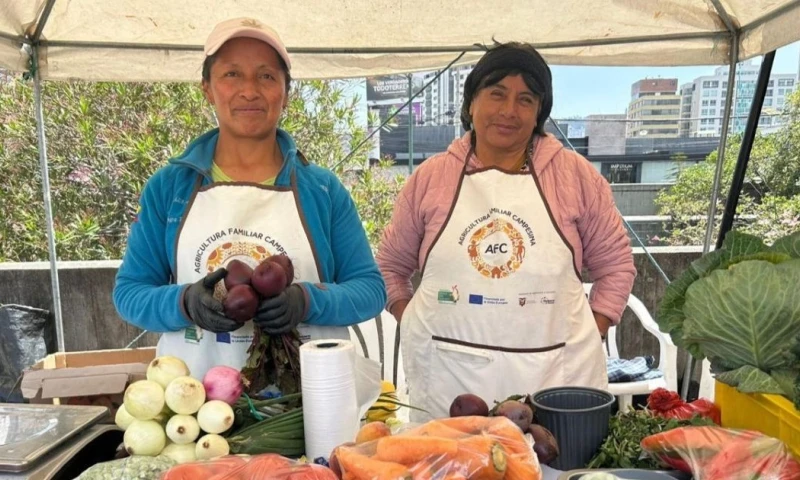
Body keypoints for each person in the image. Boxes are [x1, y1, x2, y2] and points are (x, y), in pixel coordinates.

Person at [114, 18, 386, 379]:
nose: (249, 91)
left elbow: (370, 289)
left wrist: (308, 300)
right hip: (196, 406)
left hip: (308, 402)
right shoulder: (169, 188)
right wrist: (184, 302)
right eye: (231, 75)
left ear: (286, 93)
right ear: (207, 89)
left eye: (266, 76)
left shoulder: (322, 189)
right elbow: (130, 293)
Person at [376, 42, 636, 420]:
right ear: (470, 104)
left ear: (538, 114)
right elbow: (389, 266)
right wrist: (412, 319)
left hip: (554, 378)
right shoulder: (431, 178)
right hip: (450, 377)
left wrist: (590, 332)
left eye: (526, 100)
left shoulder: (575, 176)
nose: (508, 111)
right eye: (497, 94)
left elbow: (616, 268)